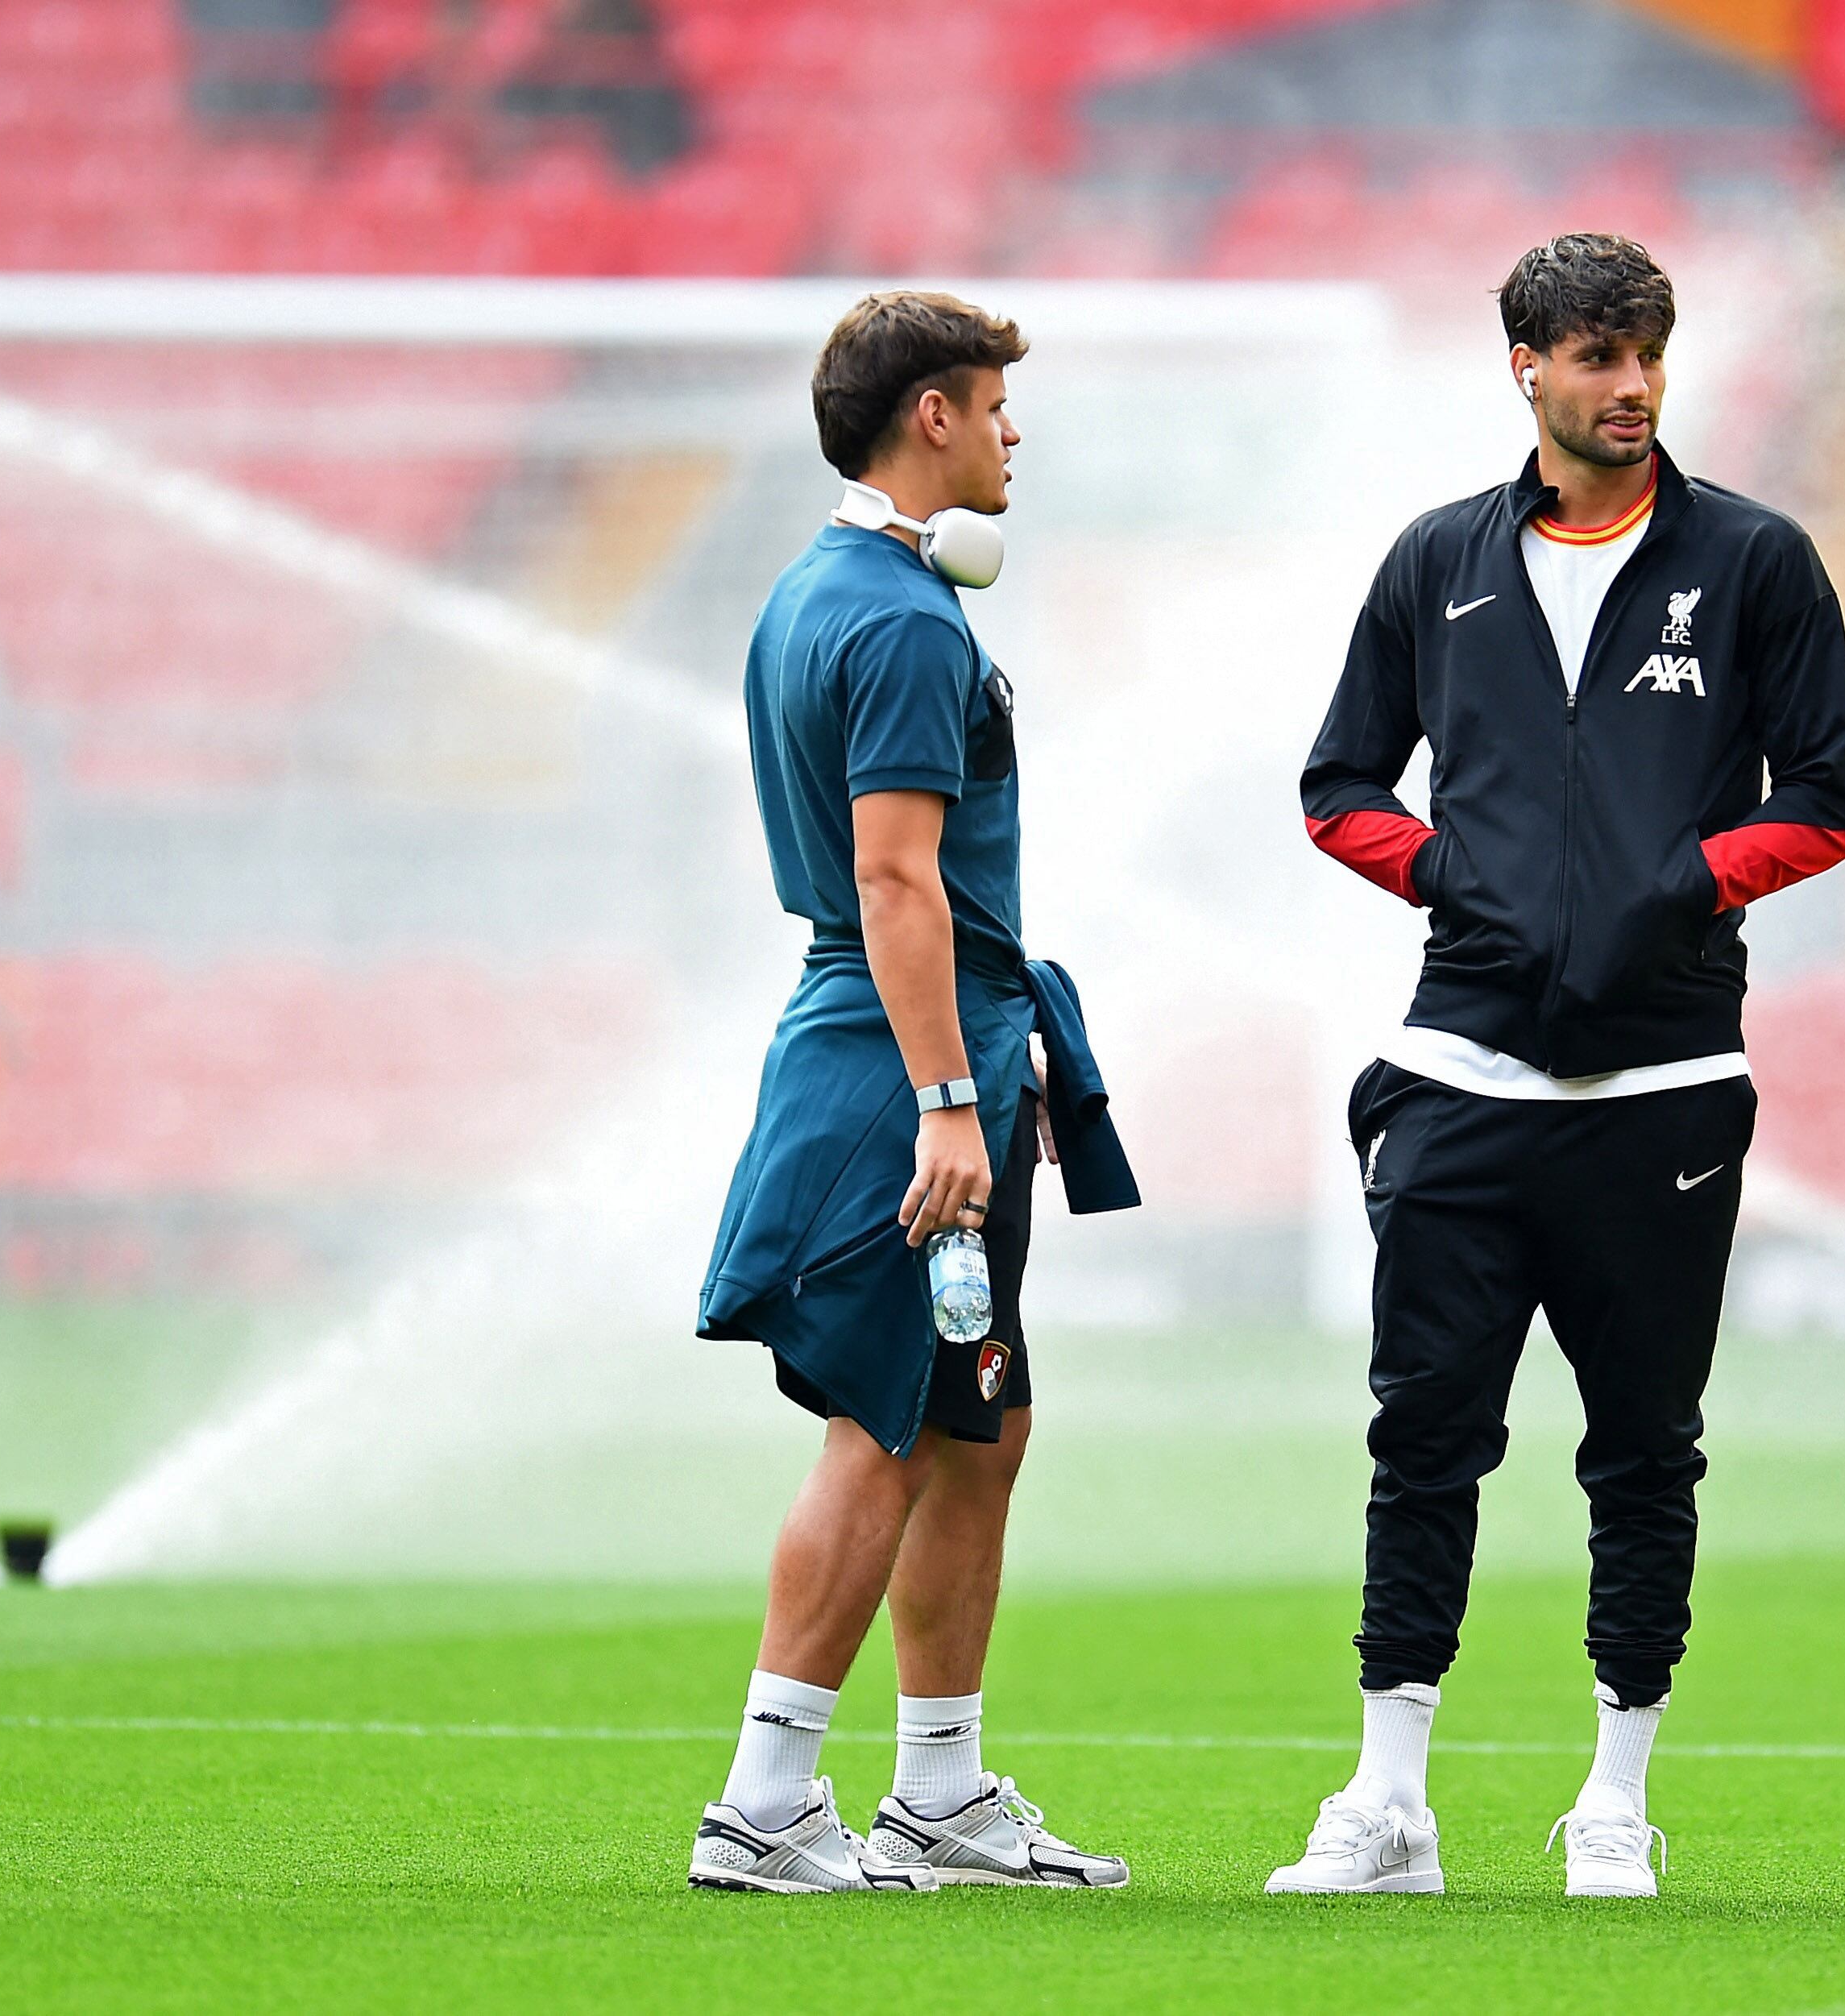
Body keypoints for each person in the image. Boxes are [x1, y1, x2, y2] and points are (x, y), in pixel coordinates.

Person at [1281, 234, 1845, 1899]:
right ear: (1525, 367)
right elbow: (1338, 788)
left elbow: (1823, 801)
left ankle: (1616, 1796)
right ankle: (1389, 1803)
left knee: (1643, 1450)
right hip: (1458, 1078)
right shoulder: (1435, 565)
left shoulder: (1757, 563)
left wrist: (1677, 888)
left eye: (1648, 355)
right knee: (1424, 1437)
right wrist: (1460, 879)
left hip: (1663, 1090)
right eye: (1598, 357)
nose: (1630, 386)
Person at [688, 291, 1137, 1894]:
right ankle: (764, 1802)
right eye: (996, 404)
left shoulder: (826, 592)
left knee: (977, 1423)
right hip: (899, 1067)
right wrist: (950, 1099)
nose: (1017, 432)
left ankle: (939, 1797)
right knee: (884, 1427)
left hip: (892, 1046)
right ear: (930, 415)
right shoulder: (891, 619)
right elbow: (894, 884)